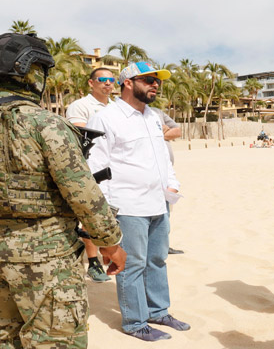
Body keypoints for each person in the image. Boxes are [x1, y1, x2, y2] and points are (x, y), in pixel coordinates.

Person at [0, 33, 126, 348]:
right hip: (44, 259)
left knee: (3, 339)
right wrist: (110, 243)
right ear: (31, 71)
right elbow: (84, 194)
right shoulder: (44, 123)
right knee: (56, 342)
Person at [87, 61, 188, 342]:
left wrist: (173, 184)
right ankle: (134, 322)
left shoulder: (154, 116)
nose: (156, 85)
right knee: (132, 264)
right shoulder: (106, 118)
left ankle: (158, 311)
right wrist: (106, 212)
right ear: (128, 82)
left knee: (157, 259)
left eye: (158, 81)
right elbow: (96, 168)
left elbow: (161, 157)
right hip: (128, 206)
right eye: (149, 80)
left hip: (159, 202)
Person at [65, 67, 116, 282]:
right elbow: (81, 133)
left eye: (111, 80)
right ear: (91, 83)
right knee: (90, 213)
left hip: (113, 166)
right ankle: (93, 262)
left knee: (110, 213)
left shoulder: (115, 107)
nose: (108, 83)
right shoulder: (80, 105)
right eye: (103, 79)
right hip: (89, 167)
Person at [150, 107, 184, 255]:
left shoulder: (157, 112)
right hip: (147, 175)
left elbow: (178, 131)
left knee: (165, 214)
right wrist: (160, 132)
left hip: (167, 175)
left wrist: (161, 133)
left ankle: (163, 245)